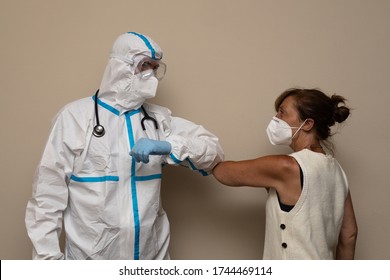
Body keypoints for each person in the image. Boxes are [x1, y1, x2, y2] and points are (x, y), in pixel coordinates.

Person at [25, 32, 224, 260]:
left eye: (155, 66)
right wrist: (47, 262)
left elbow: (214, 152)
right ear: (119, 67)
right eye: (143, 65)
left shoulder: (158, 120)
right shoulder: (74, 118)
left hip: (152, 259)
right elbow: (46, 197)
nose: (150, 74)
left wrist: (168, 145)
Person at [213, 88, 357, 260]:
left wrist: (197, 149)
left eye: (282, 112)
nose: (276, 118)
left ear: (308, 124)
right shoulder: (337, 170)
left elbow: (224, 173)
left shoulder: (287, 166)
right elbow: (349, 234)